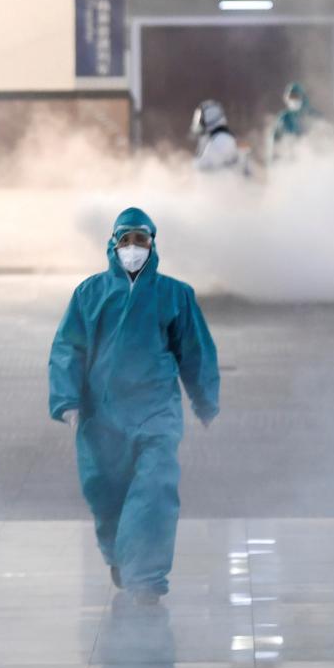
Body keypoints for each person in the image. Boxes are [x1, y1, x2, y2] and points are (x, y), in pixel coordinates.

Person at [48, 208, 220, 605]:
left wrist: (204, 398)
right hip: (101, 415)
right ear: (112, 245)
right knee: (107, 493)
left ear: (153, 244)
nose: (132, 249)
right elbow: (68, 349)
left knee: (155, 487)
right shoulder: (89, 294)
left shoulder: (175, 295)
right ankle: (119, 554)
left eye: (140, 240)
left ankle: (146, 577)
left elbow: (195, 350)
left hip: (156, 411)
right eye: (125, 240)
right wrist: (67, 399)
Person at [268, 81, 318, 161]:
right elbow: (276, 141)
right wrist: (274, 161)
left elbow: (321, 137)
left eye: (296, 97)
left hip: (309, 159)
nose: (293, 100)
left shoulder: (312, 116)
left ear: (302, 98)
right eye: (291, 98)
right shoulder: (284, 118)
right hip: (288, 159)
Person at [190, 99, 241, 172]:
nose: (199, 123)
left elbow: (206, 167)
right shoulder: (213, 139)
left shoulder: (222, 140)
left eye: (201, 119)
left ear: (209, 118)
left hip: (225, 182)